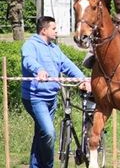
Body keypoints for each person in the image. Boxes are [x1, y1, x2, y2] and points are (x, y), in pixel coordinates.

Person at [21, 16, 90, 168]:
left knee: (42, 133)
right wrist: (39, 70)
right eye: (54, 28)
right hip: (35, 98)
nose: (56, 31)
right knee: (49, 133)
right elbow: (28, 60)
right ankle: (48, 166)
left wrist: (83, 79)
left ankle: (35, 166)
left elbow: (67, 65)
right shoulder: (30, 45)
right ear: (44, 30)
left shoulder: (54, 48)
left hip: (51, 98)